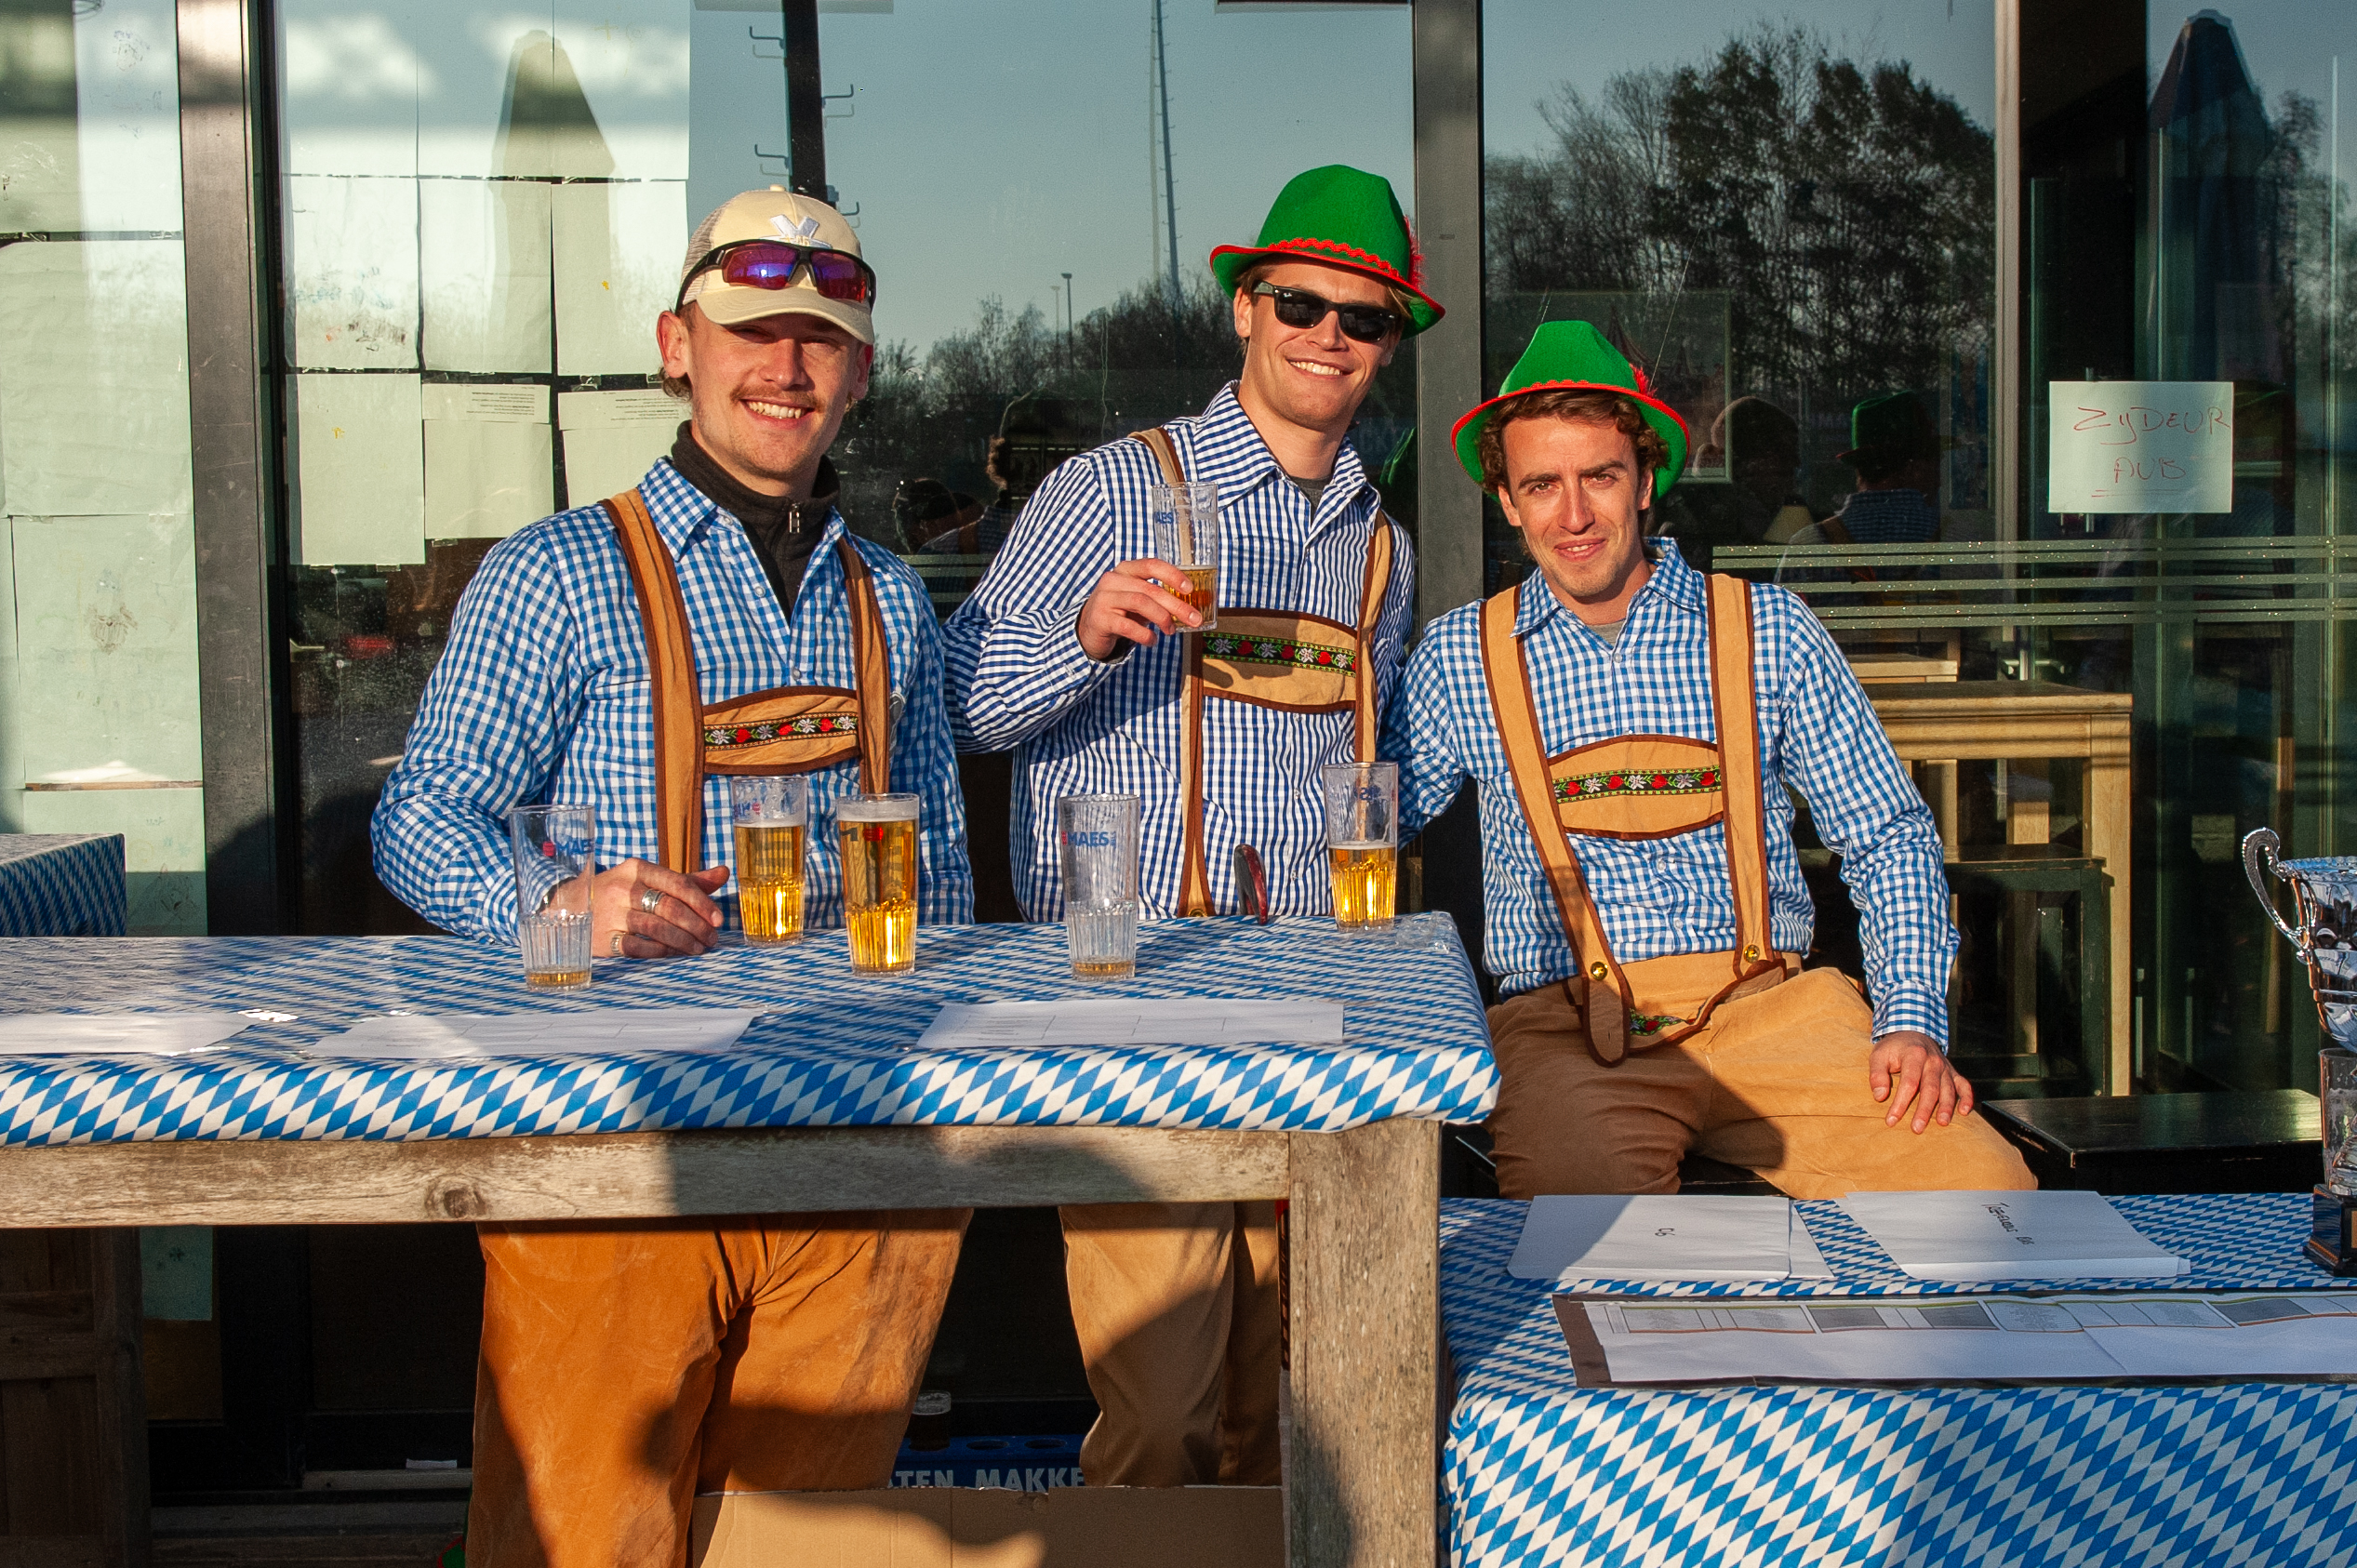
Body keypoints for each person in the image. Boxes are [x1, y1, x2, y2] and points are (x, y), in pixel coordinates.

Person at [373, 187, 975, 1566]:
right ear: (675, 345)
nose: (787, 366)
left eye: (822, 341)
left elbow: (935, 872)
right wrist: (551, 901)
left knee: (808, 1548)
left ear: (860, 374)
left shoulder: (889, 597)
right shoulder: (555, 575)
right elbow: (420, 818)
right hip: (617, 1159)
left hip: (858, 1162)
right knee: (584, 1542)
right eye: (752, 331)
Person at [944, 165, 1435, 1486]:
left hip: (1307, 1004)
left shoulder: (1380, 548)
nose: (1328, 334)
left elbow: (1370, 760)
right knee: (1160, 1414)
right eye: (1299, 302)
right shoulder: (1110, 490)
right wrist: (1082, 632)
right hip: (1131, 1002)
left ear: (1391, 342)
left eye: (1363, 317)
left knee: (1289, 1414)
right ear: (1242, 308)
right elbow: (960, 706)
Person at [1383, 321, 2032, 1200]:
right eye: (1541, 484)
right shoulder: (1462, 655)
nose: (1572, 516)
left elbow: (1887, 835)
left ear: (1645, 480)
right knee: (1582, 1247)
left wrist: (1911, 1019)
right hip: (1569, 1034)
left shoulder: (1769, 629)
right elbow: (1364, 828)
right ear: (1507, 499)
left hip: (1780, 1014)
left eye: (1599, 477)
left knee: (1986, 1196)